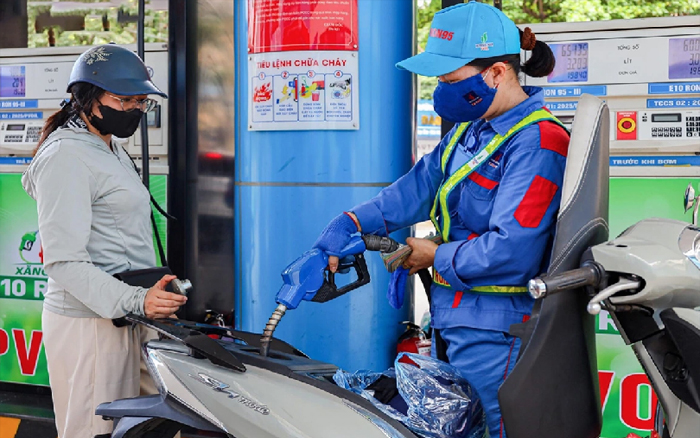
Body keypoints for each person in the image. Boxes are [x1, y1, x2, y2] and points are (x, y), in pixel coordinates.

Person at [312, 2, 570, 437]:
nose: (442, 91)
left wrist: (435, 255)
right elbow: (415, 190)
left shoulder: (538, 142)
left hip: (500, 332)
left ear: (497, 72)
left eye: (450, 80)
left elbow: (513, 250)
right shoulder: (469, 133)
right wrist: (351, 223)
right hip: (454, 321)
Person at [22, 44, 187, 438]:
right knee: (97, 430)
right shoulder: (66, 156)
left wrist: (149, 298)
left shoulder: (109, 147)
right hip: (91, 326)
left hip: (130, 314)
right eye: (124, 100)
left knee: (146, 430)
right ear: (88, 98)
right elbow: (63, 261)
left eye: (141, 101)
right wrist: (137, 300)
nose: (134, 109)